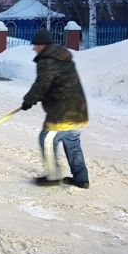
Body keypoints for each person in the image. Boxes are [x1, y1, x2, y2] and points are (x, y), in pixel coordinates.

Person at [21, 29, 90, 188]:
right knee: (72, 144)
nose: (33, 48)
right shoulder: (63, 58)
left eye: (35, 45)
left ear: (42, 45)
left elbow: (42, 85)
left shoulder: (48, 61)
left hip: (62, 113)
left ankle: (53, 176)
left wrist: (28, 101)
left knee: (46, 139)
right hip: (78, 111)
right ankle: (81, 178)